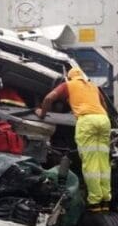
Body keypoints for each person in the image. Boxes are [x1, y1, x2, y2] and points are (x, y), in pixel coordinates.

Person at [36, 67, 111, 211]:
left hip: (87, 121)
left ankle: (95, 201)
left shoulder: (68, 85)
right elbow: (104, 106)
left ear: (69, 78)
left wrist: (42, 113)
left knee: (90, 163)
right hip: (103, 120)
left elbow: (48, 98)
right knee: (103, 162)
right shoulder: (93, 86)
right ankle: (105, 201)